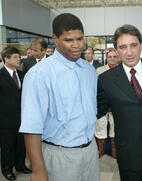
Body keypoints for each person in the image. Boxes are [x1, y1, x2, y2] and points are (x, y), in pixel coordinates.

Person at [19, 13, 99, 181]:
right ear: (55, 39)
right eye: (69, 40)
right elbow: (31, 127)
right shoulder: (39, 74)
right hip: (59, 157)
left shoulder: (89, 71)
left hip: (91, 152)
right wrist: (38, 170)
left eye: (80, 39)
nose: (76, 45)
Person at [97, 24, 142, 181]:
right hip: (128, 153)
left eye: (133, 45)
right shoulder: (106, 80)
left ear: (141, 46)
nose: (129, 52)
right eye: (123, 47)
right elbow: (97, 110)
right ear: (116, 50)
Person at [0, 47, 31, 181]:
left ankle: (20, 166)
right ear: (6, 59)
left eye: (19, 57)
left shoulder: (22, 74)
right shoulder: (0, 75)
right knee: (7, 146)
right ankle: (7, 169)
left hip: (22, 118)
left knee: (21, 144)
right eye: (15, 57)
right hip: (5, 119)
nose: (19, 59)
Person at [95, 48, 119, 158]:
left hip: (117, 105)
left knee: (116, 128)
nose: (112, 59)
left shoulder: (122, 70)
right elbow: (95, 89)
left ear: (118, 57)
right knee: (100, 127)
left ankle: (114, 150)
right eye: (110, 57)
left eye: (114, 56)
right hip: (102, 105)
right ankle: (101, 149)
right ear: (106, 58)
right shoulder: (99, 70)